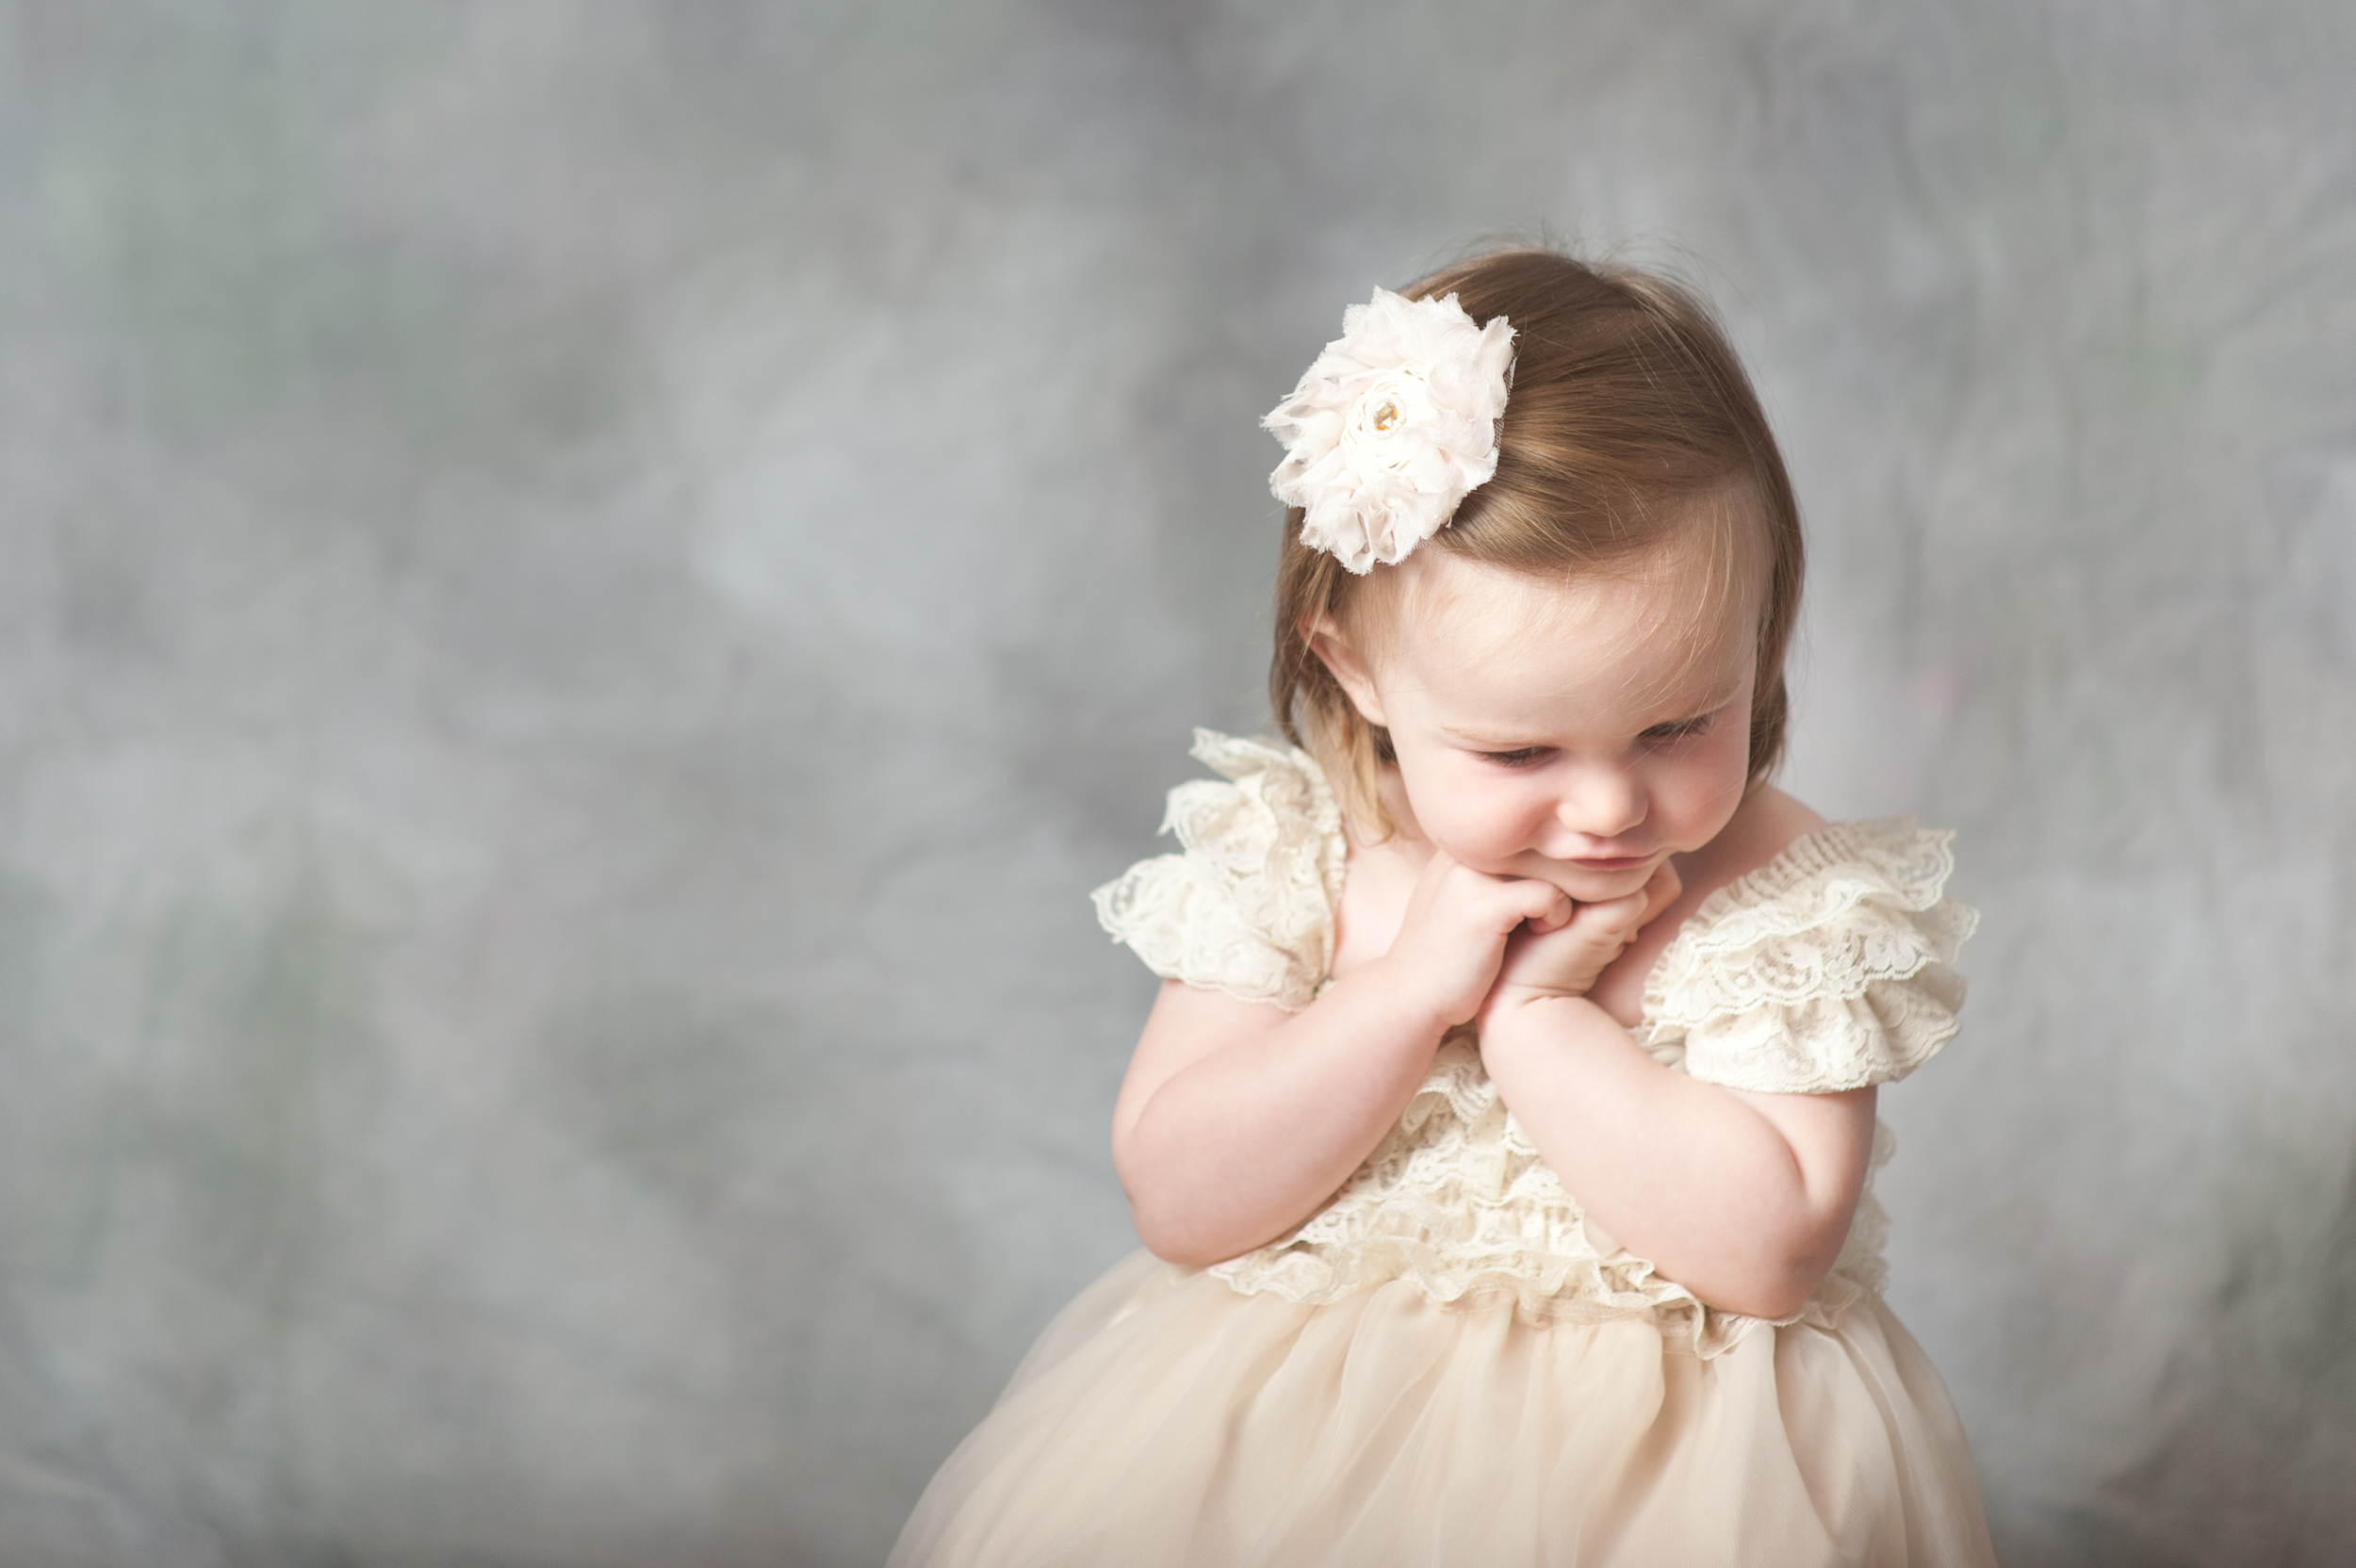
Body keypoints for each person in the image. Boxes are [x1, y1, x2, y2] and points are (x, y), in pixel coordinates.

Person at [891, 248, 2001, 1566]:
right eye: (1522, 753)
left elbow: (1768, 1254)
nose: (1606, 810)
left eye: (1675, 725)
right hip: (1291, 1470)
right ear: (1354, 673)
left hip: (1677, 1490)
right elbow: (1181, 1196)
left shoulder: (1782, 891)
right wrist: (1412, 991)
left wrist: (1535, 1024)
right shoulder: (1308, 857)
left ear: (1757, 639)